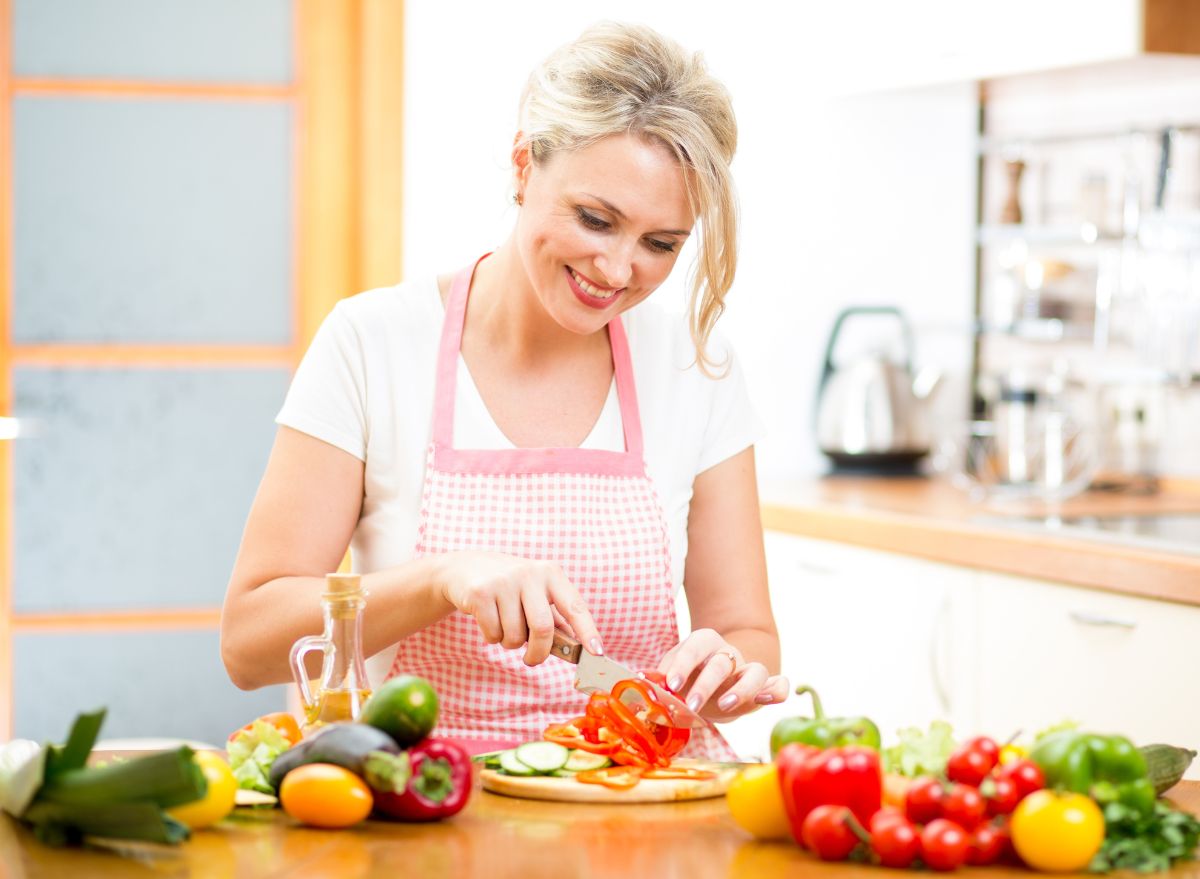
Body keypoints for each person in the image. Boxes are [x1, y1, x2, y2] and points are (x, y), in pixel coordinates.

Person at [221, 21, 787, 758]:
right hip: (426, 806)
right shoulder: (373, 341)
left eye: (660, 245)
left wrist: (732, 670)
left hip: (641, 807)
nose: (617, 270)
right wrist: (440, 579)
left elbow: (750, 633)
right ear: (524, 165)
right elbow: (251, 642)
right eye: (595, 219)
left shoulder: (693, 364)